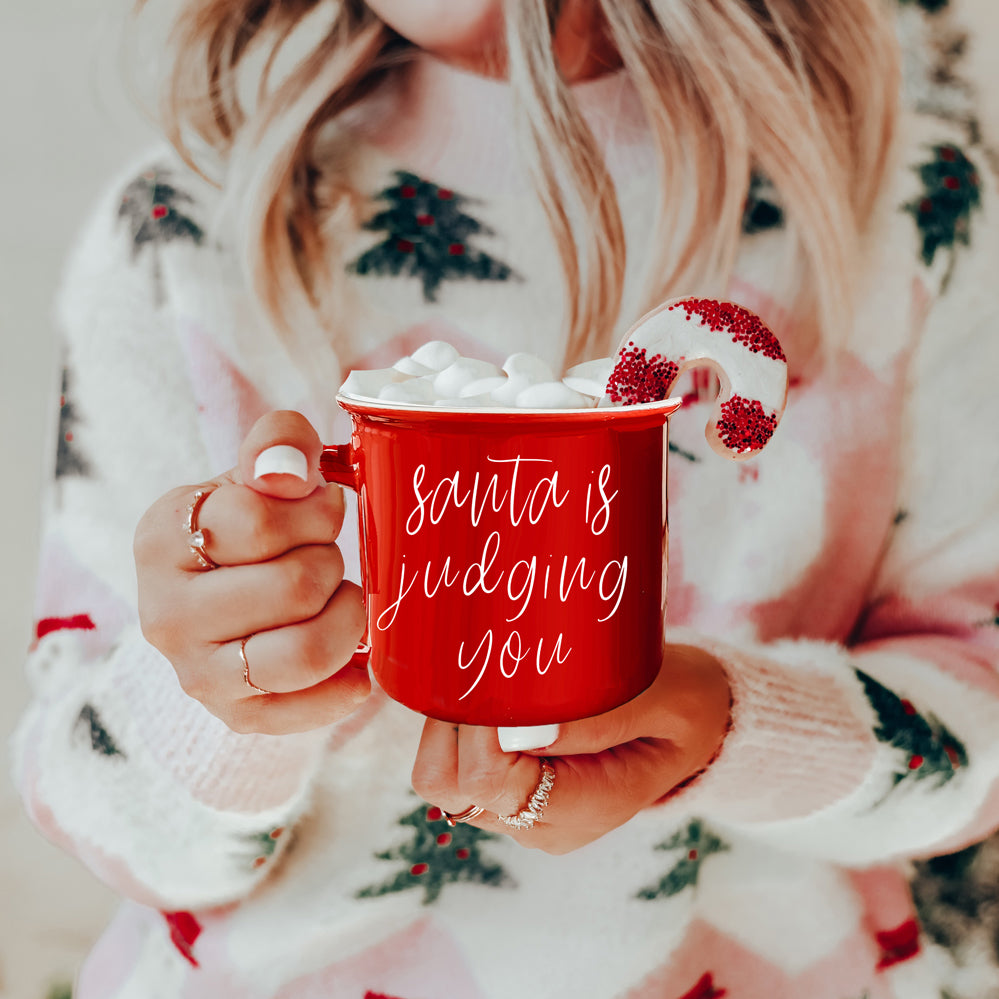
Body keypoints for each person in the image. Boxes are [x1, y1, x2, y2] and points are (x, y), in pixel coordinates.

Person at [12, 0, 999, 995]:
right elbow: (95, 813)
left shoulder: (915, 208)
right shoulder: (185, 229)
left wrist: (734, 728)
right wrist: (216, 706)